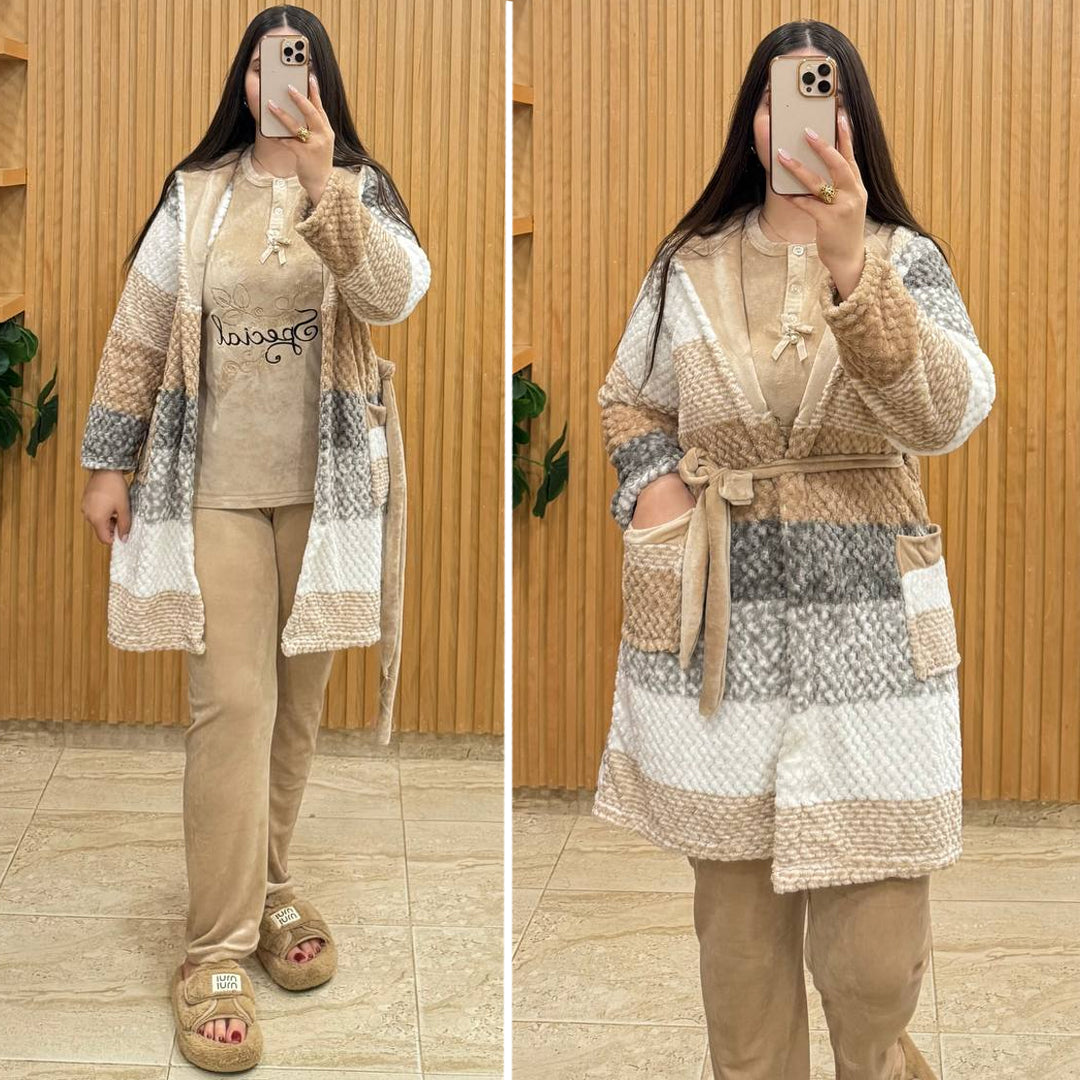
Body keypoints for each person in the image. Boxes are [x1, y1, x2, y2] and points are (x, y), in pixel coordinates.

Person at [594, 20, 994, 1080]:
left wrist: (853, 267)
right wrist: (655, 496)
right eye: (781, 98)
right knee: (738, 959)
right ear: (753, 122)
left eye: (827, 96)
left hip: (871, 635)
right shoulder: (690, 263)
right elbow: (630, 398)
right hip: (724, 634)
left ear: (853, 121)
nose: (803, 118)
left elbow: (949, 412)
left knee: (877, 964)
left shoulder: (904, 260)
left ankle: (883, 1061)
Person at [78, 6, 430, 1072]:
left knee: (297, 708)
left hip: (329, 499)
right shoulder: (196, 196)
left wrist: (327, 187)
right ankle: (216, 948)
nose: (284, 80)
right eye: (269, 64)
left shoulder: (359, 190)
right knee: (232, 706)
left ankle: (272, 885)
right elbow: (140, 328)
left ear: (322, 81)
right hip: (214, 493)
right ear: (245, 81)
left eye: (302, 62)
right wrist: (108, 459)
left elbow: (395, 297)